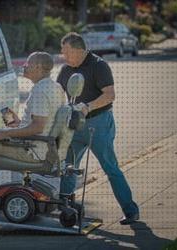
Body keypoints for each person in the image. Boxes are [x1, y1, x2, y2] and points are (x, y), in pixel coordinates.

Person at [56, 32, 139, 225]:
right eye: (63, 53)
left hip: (98, 123)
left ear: (79, 50)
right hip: (73, 125)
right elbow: (58, 95)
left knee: (110, 167)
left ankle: (131, 211)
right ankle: (66, 209)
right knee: (68, 167)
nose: (64, 57)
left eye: (66, 52)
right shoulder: (66, 69)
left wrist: (88, 106)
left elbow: (109, 95)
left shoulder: (99, 65)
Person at [0, 52, 66, 198]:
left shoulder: (40, 90)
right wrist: (18, 124)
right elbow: (43, 126)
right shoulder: (55, 86)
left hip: (31, 150)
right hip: (40, 146)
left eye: (28, 64)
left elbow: (38, 127)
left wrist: (5, 133)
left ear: (38, 67)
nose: (24, 66)